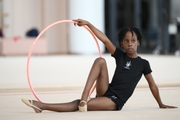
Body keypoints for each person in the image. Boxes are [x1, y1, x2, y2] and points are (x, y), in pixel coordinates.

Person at [21, 19, 177, 113]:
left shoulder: (143, 63)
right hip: (107, 91)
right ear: (122, 43)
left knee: (80, 105)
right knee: (100, 61)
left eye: (133, 41)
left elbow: (153, 85)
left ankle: (42, 106)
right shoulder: (120, 56)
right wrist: (88, 24)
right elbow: (105, 40)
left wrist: (161, 104)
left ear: (139, 42)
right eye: (126, 41)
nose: (130, 44)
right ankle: (84, 98)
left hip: (115, 101)